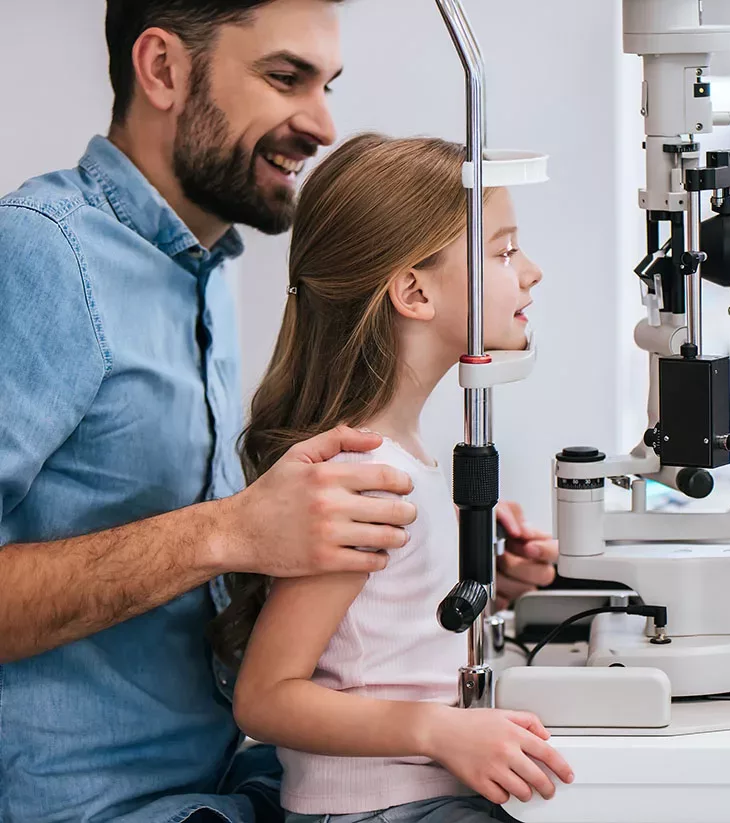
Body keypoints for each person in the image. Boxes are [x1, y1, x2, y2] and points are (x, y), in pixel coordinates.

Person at [0, 2, 556, 820]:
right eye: (284, 77)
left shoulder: (200, 275)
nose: (324, 123)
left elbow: (258, 589)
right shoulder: (43, 255)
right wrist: (231, 530)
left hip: (230, 782)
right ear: (161, 69)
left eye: (328, 85)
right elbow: (241, 577)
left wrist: (454, 579)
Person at [226, 133, 573, 822]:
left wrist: (488, 584)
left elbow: (376, 640)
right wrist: (436, 729)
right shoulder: (365, 476)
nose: (531, 271)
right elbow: (265, 695)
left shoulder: (399, 457)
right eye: (503, 251)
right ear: (414, 290)